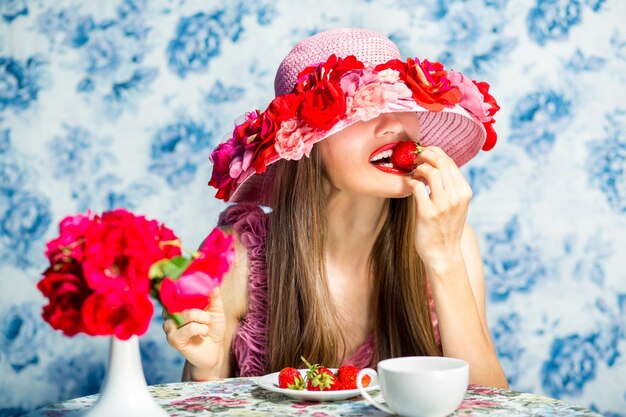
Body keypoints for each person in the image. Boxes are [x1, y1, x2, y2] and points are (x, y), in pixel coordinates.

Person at [162, 28, 509, 388]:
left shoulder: (454, 243)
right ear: (305, 145)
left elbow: (494, 406)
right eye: (361, 113)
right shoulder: (236, 253)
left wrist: (444, 260)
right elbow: (202, 404)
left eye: (402, 106)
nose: (393, 124)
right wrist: (207, 365)